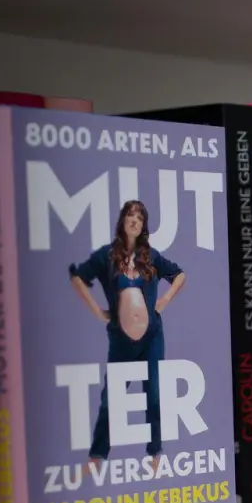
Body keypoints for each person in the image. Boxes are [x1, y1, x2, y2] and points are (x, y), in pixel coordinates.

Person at [70, 199, 186, 466]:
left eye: (140, 218)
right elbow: (78, 277)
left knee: (154, 394)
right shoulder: (106, 256)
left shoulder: (152, 256)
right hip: (121, 339)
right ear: (123, 220)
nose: (135, 220)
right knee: (111, 397)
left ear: (144, 226)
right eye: (130, 215)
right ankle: (97, 456)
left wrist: (164, 301)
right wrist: (98, 312)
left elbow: (179, 275)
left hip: (152, 337)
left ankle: (155, 453)